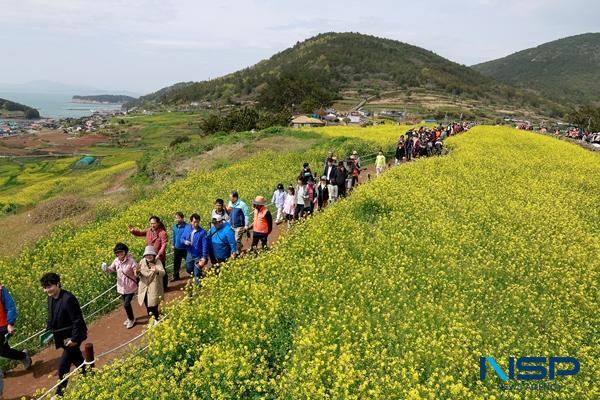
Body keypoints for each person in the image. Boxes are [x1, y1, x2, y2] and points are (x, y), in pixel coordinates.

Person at [40, 272, 87, 396]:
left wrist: (74, 339)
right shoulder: (50, 298)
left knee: (63, 367)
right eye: (45, 287)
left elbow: (77, 320)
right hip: (62, 337)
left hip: (73, 337)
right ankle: (90, 375)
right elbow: (51, 318)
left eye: (49, 286)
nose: (47, 290)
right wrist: (47, 333)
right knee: (77, 359)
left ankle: (60, 393)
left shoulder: (68, 298)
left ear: (58, 284)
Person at [102, 243, 138, 329]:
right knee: (126, 304)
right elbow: (111, 269)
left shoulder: (131, 261)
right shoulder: (116, 261)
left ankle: (131, 319)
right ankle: (130, 317)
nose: (119, 254)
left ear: (125, 251)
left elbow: (136, 270)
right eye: (117, 253)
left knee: (126, 304)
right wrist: (106, 269)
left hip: (130, 287)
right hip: (121, 287)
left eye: (121, 252)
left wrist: (137, 272)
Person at [128, 216, 169, 291]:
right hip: (149, 256)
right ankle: (152, 287)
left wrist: (159, 255)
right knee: (150, 271)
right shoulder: (148, 231)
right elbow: (140, 233)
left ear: (158, 223)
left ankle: (164, 286)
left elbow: (164, 245)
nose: (152, 225)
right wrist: (133, 231)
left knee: (161, 270)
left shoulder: (162, 233)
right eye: (151, 223)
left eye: (154, 223)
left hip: (159, 256)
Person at [0, 284, 32, 377]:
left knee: (2, 351)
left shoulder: (1, 291)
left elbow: (10, 306)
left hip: (2, 326)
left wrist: (10, 323)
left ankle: (23, 356)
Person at [136, 246, 165, 322]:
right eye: (146, 255)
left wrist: (156, 270)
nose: (148, 256)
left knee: (153, 304)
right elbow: (137, 273)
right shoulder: (142, 261)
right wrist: (137, 272)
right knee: (147, 304)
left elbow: (163, 273)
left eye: (150, 254)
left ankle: (156, 319)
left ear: (154, 255)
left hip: (154, 287)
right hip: (144, 287)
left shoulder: (157, 262)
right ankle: (152, 318)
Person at [180, 214, 208, 285]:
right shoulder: (187, 229)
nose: (196, 224)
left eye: (197, 222)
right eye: (194, 222)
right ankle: (201, 275)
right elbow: (181, 238)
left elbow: (205, 245)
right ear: (190, 222)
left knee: (196, 274)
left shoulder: (202, 232)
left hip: (198, 255)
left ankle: (197, 289)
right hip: (189, 253)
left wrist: (204, 258)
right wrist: (185, 241)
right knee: (189, 269)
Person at [171, 212, 188, 282]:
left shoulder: (187, 226)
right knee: (176, 263)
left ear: (182, 218)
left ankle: (195, 274)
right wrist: (173, 244)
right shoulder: (175, 226)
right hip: (177, 247)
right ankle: (176, 276)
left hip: (186, 248)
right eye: (176, 218)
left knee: (189, 262)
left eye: (178, 218)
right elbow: (174, 236)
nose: (177, 219)